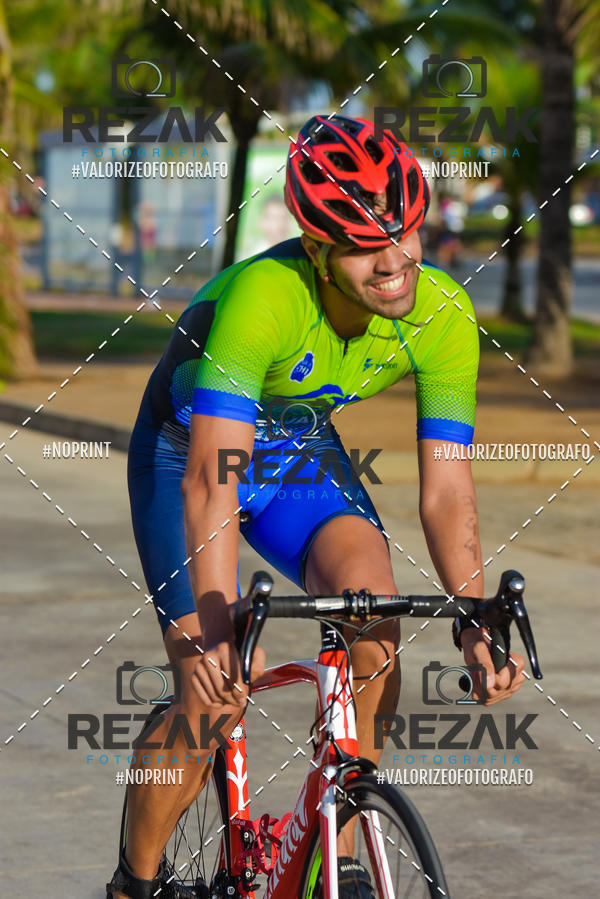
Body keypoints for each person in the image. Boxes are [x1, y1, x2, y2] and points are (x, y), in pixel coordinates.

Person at [107, 114, 526, 899]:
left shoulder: (442, 315)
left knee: (374, 611)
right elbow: (212, 479)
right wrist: (214, 631)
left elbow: (447, 489)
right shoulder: (265, 298)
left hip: (296, 448)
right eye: (367, 244)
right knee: (215, 689)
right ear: (318, 250)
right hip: (188, 453)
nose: (396, 260)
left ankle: (336, 839)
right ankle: (135, 881)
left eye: (405, 231)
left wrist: (475, 620)